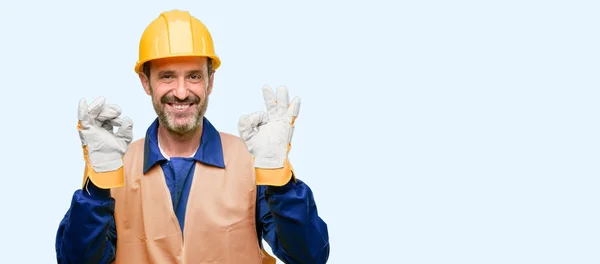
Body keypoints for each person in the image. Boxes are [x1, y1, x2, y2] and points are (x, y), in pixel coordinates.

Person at [54, 9, 330, 264]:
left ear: (211, 81)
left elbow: (308, 257)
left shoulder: (252, 161)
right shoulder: (114, 166)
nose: (182, 92)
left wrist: (278, 180)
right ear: (145, 82)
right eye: (167, 77)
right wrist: (99, 186)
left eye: (194, 76)